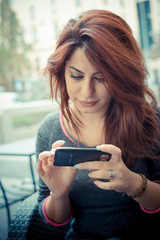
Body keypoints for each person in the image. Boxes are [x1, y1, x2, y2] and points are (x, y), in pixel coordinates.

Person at [36, 10, 160, 240]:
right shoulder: (50, 129)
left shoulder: (151, 119)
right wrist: (59, 193)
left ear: (121, 75)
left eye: (101, 78)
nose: (87, 92)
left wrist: (133, 183)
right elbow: (55, 220)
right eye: (76, 76)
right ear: (62, 73)